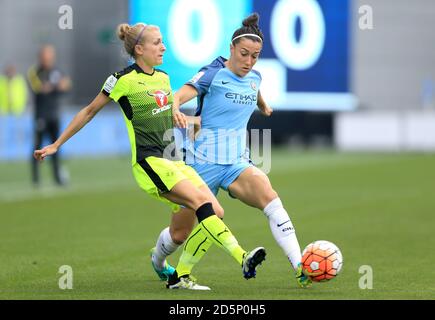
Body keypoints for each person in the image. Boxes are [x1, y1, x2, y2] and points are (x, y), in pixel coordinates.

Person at [33, 22, 266, 290]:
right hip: (150, 162)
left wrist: (191, 120)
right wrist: (57, 144)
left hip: (174, 160)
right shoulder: (122, 80)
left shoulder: (163, 78)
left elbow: (166, 115)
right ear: (139, 48)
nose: (163, 46)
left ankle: (159, 264)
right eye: (157, 42)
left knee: (199, 221)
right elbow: (88, 112)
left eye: (162, 41)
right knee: (204, 206)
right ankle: (242, 258)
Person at [150, 13, 313, 289]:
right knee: (179, 234)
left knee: (270, 198)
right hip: (200, 164)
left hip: (236, 163)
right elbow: (178, 95)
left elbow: (254, 87)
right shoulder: (213, 73)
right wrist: (176, 108)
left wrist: (263, 104)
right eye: (244, 54)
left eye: (255, 56)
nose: (249, 62)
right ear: (231, 49)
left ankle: (299, 266)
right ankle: (157, 261)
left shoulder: (255, 77)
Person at [28, 45, 72, 186]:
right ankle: (36, 179)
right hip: (41, 115)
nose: (49, 58)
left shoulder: (56, 71)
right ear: (41, 56)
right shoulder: (34, 72)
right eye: (47, 55)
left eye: (51, 55)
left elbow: (67, 85)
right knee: (37, 146)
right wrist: (56, 86)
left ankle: (57, 177)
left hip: (54, 115)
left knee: (56, 147)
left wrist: (54, 86)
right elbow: (39, 88)